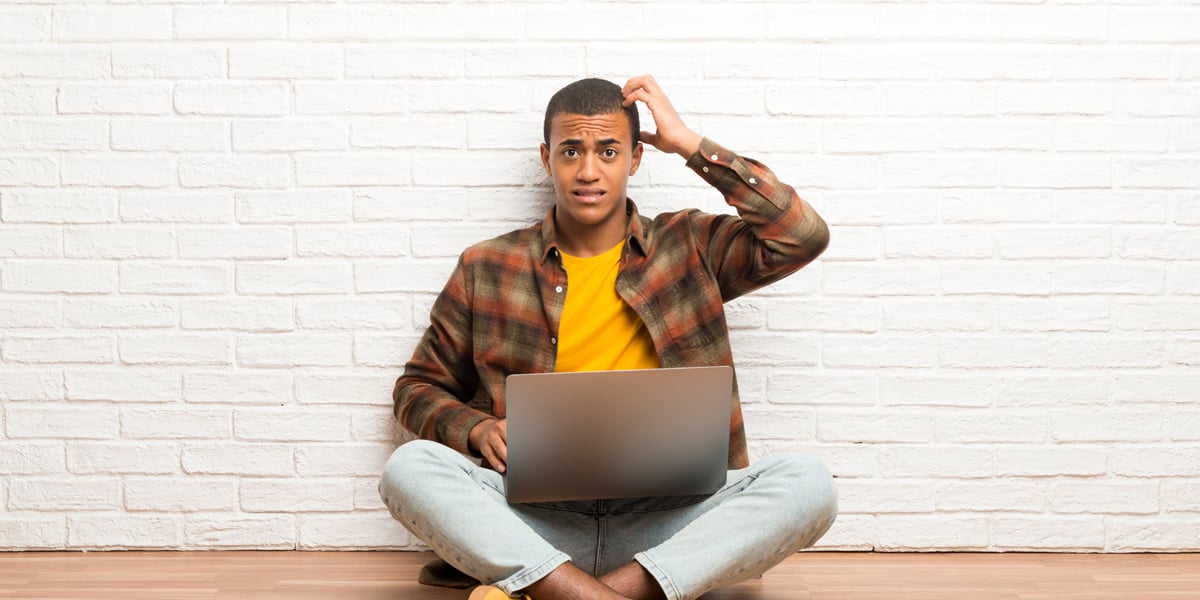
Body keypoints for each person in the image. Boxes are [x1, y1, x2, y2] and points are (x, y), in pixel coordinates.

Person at [379, 74, 837, 600]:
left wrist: (689, 143)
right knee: (409, 468)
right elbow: (416, 388)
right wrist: (477, 429)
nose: (588, 170)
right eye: (571, 151)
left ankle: (565, 592)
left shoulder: (690, 245)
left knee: (808, 483)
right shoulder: (487, 265)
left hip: (672, 521)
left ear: (637, 158)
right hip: (535, 521)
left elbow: (802, 236)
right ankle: (601, 591)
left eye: (608, 150)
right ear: (547, 158)